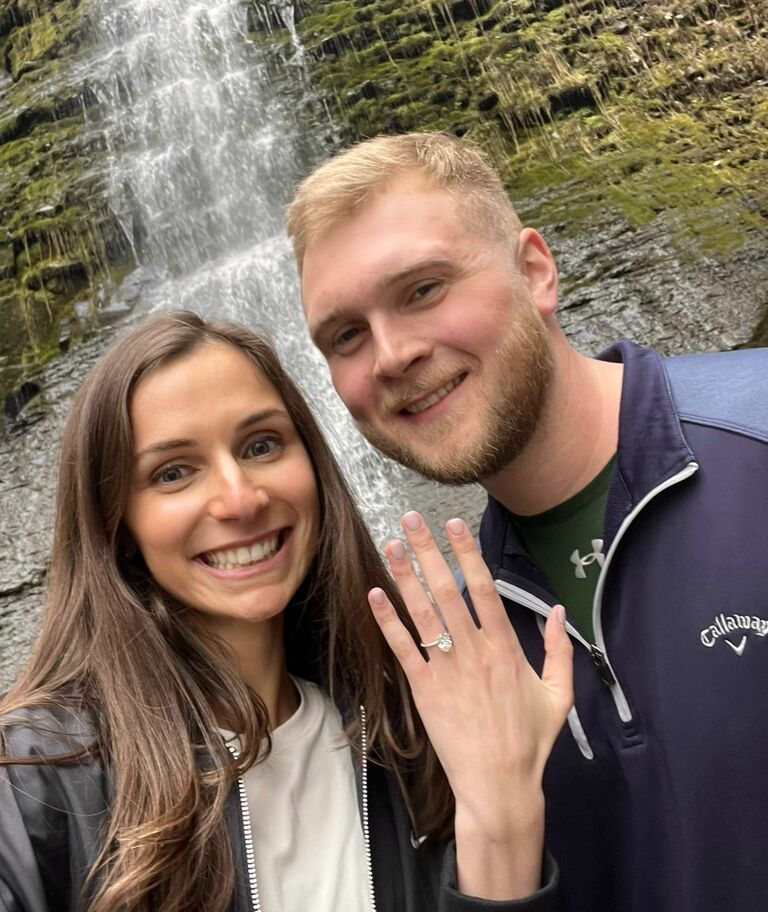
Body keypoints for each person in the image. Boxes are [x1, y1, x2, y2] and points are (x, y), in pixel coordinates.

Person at [287, 132, 768, 912]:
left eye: (422, 289)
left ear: (535, 270)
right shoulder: (452, 656)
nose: (391, 354)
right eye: (346, 335)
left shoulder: (760, 429)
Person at [0, 311, 573, 912]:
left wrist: (502, 812)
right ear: (117, 525)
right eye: (173, 472)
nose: (241, 499)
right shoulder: (35, 775)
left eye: (262, 444)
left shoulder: (407, 737)